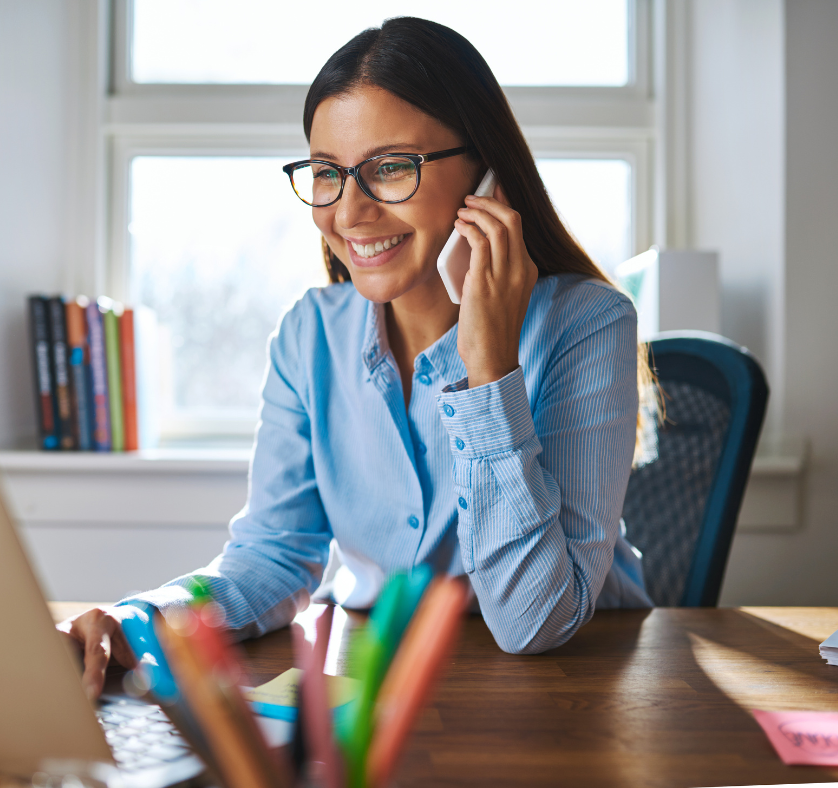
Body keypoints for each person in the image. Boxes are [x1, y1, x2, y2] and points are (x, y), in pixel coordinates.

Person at [58, 16, 653, 700]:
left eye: (391, 168)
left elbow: (532, 622)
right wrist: (142, 619)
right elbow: (275, 556)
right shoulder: (311, 335)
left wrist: (488, 367)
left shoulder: (585, 324)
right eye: (327, 174)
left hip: (577, 690)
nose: (350, 211)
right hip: (380, 686)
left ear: (487, 175)